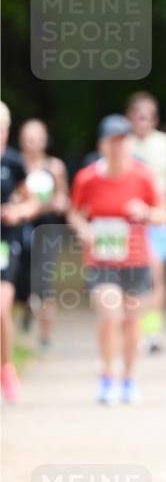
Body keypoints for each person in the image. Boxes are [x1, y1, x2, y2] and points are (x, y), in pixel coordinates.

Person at [68, 115, 166, 405]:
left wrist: (146, 212)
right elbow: (75, 212)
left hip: (136, 258)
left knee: (132, 322)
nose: (118, 148)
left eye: (123, 142)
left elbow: (163, 215)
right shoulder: (87, 177)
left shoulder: (143, 175)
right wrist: (83, 229)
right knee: (110, 315)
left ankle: (128, 378)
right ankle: (108, 375)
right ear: (102, 145)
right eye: (113, 142)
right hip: (102, 259)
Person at [126, 92, 166, 352]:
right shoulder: (122, 144)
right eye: (139, 116)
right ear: (131, 117)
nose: (143, 121)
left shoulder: (165, 143)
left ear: (155, 119)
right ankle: (133, 328)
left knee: (156, 272)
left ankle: (153, 330)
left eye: (148, 116)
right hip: (129, 219)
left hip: (159, 216)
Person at [18, 119, 69, 352]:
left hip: (47, 232)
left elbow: (63, 201)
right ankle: (28, 311)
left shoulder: (55, 167)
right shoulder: (14, 164)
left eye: (37, 137)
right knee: (23, 281)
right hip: (20, 230)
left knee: (44, 285)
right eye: (28, 137)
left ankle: (46, 336)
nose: (32, 142)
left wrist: (43, 205)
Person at [0, 102, 38, 402]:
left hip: (5, 244)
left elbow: (32, 202)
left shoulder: (13, 163)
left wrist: (18, 212)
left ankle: (7, 369)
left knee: (1, 308)